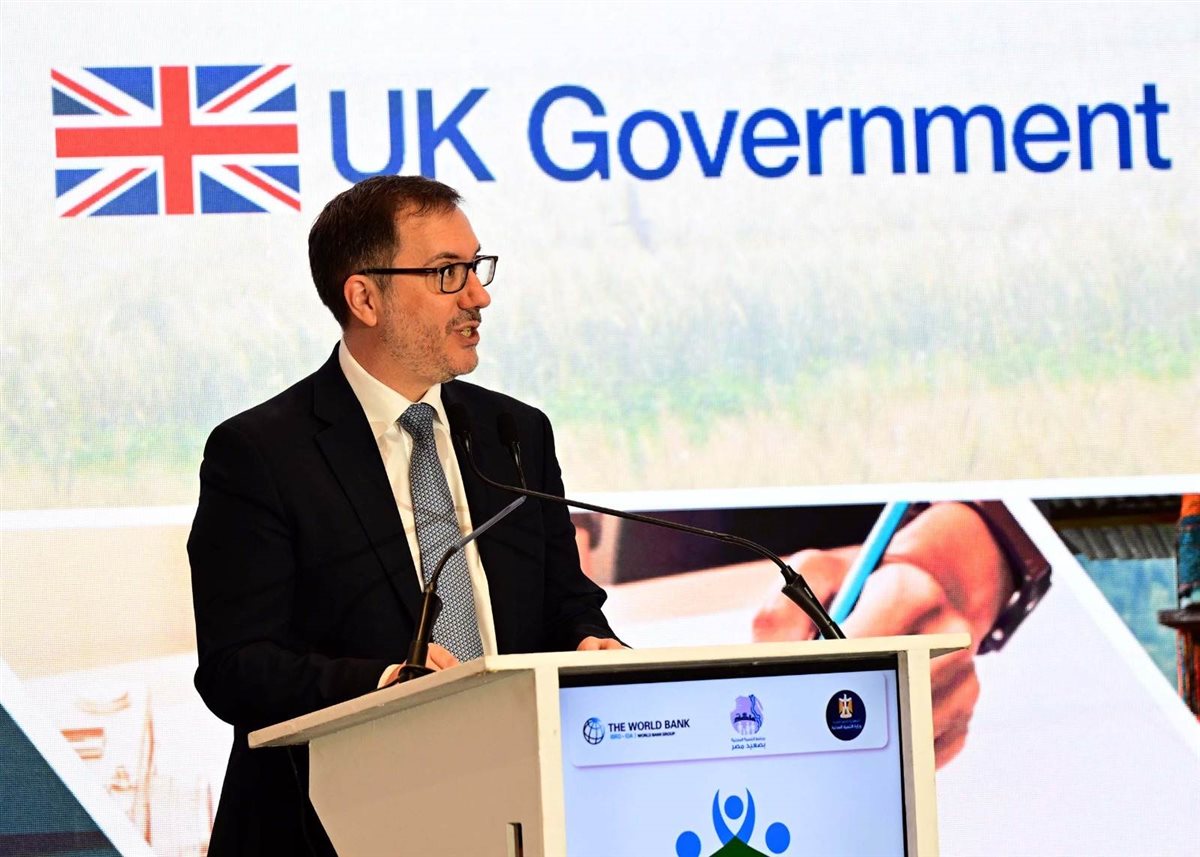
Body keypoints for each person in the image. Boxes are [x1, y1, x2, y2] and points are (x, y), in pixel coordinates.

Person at [189, 176, 621, 856]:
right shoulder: (261, 453)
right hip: (328, 828)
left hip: (516, 809)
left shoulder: (514, 433)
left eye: (476, 268)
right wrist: (387, 683)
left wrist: (592, 643)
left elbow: (566, 604)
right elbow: (237, 667)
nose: (478, 296)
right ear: (364, 298)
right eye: (447, 273)